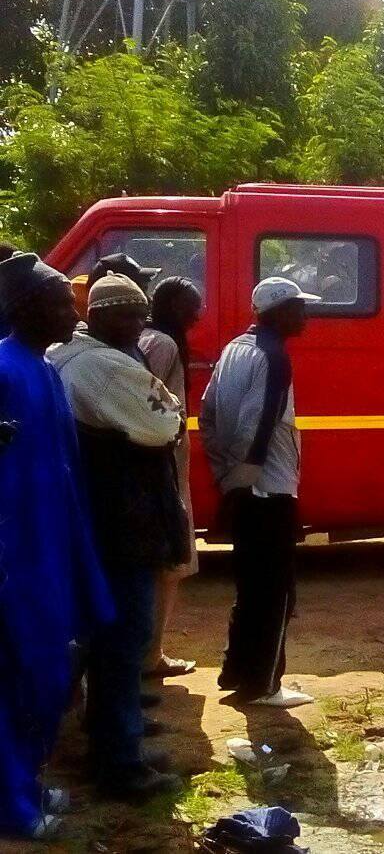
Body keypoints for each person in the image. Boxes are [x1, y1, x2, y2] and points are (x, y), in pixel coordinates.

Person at [49, 275, 187, 800]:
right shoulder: (104, 366)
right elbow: (164, 424)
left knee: (100, 638)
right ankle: (121, 761)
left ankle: (107, 739)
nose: (136, 326)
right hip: (123, 520)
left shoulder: (65, 358)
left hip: (91, 519)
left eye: (139, 315)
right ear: (101, 316)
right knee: (123, 638)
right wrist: (164, 420)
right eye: (126, 316)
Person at [0, 254, 114, 840]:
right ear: (24, 308)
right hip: (14, 558)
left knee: (51, 674)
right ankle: (12, 804)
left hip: (54, 550)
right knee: (18, 675)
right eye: (61, 301)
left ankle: (27, 783)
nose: (75, 311)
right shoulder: (2, 369)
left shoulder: (43, 370)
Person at [201, 277, 321, 706]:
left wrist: (224, 475)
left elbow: (208, 412)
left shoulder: (235, 348)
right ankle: (265, 684)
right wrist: (245, 478)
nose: (305, 316)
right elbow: (259, 423)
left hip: (243, 484)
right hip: (268, 488)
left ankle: (237, 672)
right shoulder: (274, 357)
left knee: (250, 584)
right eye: (298, 308)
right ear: (277, 311)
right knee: (276, 589)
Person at [139, 277, 204, 680]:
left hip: (158, 463)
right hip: (164, 464)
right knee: (168, 563)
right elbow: (152, 401)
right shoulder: (163, 345)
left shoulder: (148, 338)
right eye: (192, 307)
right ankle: (152, 656)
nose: (198, 315)